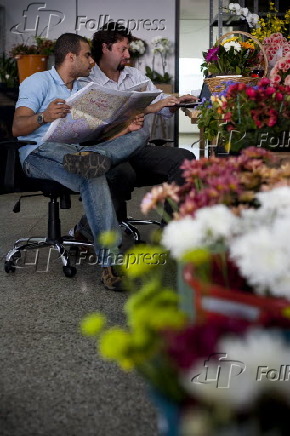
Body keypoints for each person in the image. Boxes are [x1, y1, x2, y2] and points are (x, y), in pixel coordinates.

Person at [12, 32, 150, 292]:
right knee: (92, 171)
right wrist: (44, 117)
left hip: (80, 151)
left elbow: (95, 132)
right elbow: (17, 127)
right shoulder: (38, 82)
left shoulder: (85, 89)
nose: (92, 61)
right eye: (87, 55)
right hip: (40, 154)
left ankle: (99, 157)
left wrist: (124, 129)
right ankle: (110, 265)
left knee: (138, 135)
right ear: (70, 56)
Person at [72, 22, 196, 242]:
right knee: (122, 174)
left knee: (184, 159)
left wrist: (174, 102)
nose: (128, 55)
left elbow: (159, 101)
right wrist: (137, 113)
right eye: (122, 49)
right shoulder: (86, 80)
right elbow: (84, 126)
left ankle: (170, 232)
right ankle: (86, 226)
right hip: (103, 148)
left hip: (136, 147)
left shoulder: (134, 75)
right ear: (105, 48)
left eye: (128, 49)